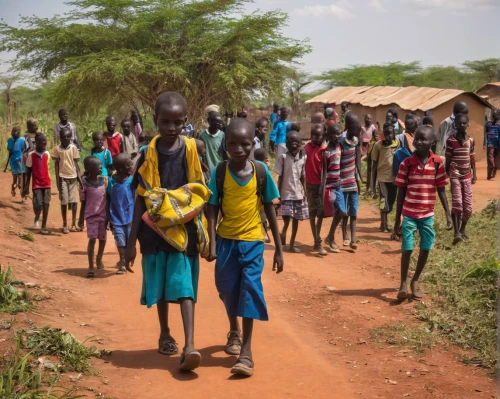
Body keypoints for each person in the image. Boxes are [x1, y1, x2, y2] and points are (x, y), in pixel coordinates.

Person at [126, 92, 209, 371]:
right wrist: (130, 242)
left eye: (178, 122)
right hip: (153, 231)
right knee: (160, 287)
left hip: (184, 229)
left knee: (185, 287)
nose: (171, 128)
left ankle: (190, 345)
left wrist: (209, 234)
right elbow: (140, 198)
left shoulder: (190, 150)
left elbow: (200, 191)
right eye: (165, 122)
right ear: (155, 121)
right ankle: (164, 332)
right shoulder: (147, 153)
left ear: (185, 121)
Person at [206, 118, 283, 377]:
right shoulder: (220, 171)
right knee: (227, 290)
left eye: (244, 144)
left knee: (249, 290)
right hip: (226, 241)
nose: (238, 149)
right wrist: (213, 242)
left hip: (252, 241)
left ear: (253, 144)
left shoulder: (260, 171)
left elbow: (270, 209)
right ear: (225, 144)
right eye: (232, 143)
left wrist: (280, 249)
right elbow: (212, 208)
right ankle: (234, 329)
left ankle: (246, 352)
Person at [393, 126, 452, 300]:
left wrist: (448, 214)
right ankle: (403, 282)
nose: (418, 142)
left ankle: (415, 280)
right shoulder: (407, 164)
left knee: (426, 247)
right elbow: (401, 193)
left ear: (432, 142)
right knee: (407, 248)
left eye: (423, 139)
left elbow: (441, 189)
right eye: (416, 139)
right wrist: (397, 220)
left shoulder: (437, 164)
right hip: (409, 214)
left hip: (427, 215)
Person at [445, 113, 477, 244]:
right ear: (455, 125)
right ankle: (456, 232)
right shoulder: (450, 141)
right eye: (459, 123)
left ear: (468, 124)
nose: (462, 125)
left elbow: (472, 158)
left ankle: (463, 229)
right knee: (457, 204)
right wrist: (448, 174)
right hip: (455, 174)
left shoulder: (471, 141)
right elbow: (448, 159)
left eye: (464, 123)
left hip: (467, 175)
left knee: (468, 207)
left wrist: (474, 173)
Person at [275, 131, 308, 253]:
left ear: (300, 144)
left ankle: (292, 243)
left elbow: (303, 176)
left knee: (296, 219)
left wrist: (305, 191)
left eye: (297, 142)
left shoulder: (303, 157)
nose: (294, 144)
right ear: (287, 144)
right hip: (286, 193)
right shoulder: (283, 158)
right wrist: (278, 194)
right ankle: (283, 233)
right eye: (291, 141)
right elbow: (280, 177)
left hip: (298, 193)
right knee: (286, 218)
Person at [78, 156, 108, 278]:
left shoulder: (104, 182)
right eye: (98, 166)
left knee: (103, 238)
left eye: (101, 165)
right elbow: (83, 203)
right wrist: (80, 218)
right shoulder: (84, 184)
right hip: (91, 217)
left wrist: (109, 216)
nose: (100, 167)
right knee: (92, 239)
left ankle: (99, 257)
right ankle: (91, 266)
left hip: (103, 216)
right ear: (89, 169)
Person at [108, 153, 135, 274]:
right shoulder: (111, 182)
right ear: (121, 169)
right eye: (129, 165)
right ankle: (122, 262)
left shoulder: (132, 181)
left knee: (129, 241)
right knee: (120, 241)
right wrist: (106, 217)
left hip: (130, 217)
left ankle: (128, 258)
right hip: (116, 218)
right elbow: (107, 198)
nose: (132, 167)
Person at [52, 127, 82, 234]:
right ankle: (64, 224)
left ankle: (73, 223)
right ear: (60, 138)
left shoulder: (73, 148)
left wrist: (80, 180)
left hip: (73, 178)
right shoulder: (57, 149)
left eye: (68, 137)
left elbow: (76, 165)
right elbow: (56, 165)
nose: (65, 139)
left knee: (73, 202)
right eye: (63, 137)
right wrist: (57, 180)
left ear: (71, 138)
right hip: (63, 178)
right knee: (64, 201)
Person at [322, 123, 346, 253]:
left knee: (342, 212)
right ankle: (318, 240)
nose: (338, 136)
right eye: (335, 134)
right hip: (327, 188)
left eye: (339, 133)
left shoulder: (339, 147)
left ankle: (330, 237)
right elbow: (324, 171)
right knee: (324, 214)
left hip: (337, 186)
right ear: (329, 136)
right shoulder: (325, 152)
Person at [339, 118, 363, 250]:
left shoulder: (356, 141)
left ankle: (354, 239)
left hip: (352, 181)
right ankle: (344, 235)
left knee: (353, 210)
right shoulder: (341, 141)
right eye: (357, 131)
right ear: (349, 128)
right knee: (344, 212)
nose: (358, 134)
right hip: (342, 181)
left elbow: (357, 159)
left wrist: (360, 177)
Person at [304, 123, 327, 255]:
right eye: (313, 135)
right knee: (312, 212)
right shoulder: (306, 148)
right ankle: (316, 241)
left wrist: (323, 186)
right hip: (310, 184)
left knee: (321, 212)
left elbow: (325, 170)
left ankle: (318, 238)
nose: (315, 138)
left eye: (318, 136)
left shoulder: (324, 149)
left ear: (323, 136)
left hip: (321, 185)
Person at [371, 123, 399, 233]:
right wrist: (372, 184)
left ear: (394, 134)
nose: (388, 136)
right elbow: (374, 164)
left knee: (391, 201)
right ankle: (384, 224)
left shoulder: (397, 144)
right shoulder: (378, 145)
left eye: (390, 133)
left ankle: (385, 217)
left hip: (394, 178)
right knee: (383, 200)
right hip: (382, 177)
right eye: (386, 133)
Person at [23, 133, 51, 234]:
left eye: (44, 141)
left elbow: (47, 168)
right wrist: (26, 186)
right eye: (40, 141)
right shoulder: (32, 155)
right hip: (37, 184)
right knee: (38, 205)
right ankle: (37, 216)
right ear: (36, 143)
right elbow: (29, 171)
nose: (43, 143)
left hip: (47, 183)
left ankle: (44, 226)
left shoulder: (47, 154)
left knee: (46, 204)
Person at [254, 147, 272, 243]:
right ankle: (264, 234)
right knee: (263, 216)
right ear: (265, 158)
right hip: (262, 197)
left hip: (253, 197)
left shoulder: (252, 164)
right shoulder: (264, 167)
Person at [5, 126, 25, 198]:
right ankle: (13, 188)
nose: (14, 134)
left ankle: (19, 187)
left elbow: (23, 149)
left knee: (19, 176)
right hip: (14, 161)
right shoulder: (11, 140)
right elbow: (9, 149)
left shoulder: (22, 140)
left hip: (20, 161)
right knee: (15, 178)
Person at [484, 108, 500, 180]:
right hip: (490, 144)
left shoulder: (499, 124)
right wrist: (485, 143)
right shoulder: (488, 124)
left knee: (496, 160)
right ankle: (489, 174)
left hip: (498, 144)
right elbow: (485, 134)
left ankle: (492, 174)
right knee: (490, 160)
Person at [365, 123, 380, 196]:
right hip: (374, 164)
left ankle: (375, 190)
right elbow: (369, 154)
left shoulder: (380, 143)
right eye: (376, 135)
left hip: (379, 164)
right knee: (373, 175)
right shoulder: (373, 143)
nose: (377, 137)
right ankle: (372, 190)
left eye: (378, 135)